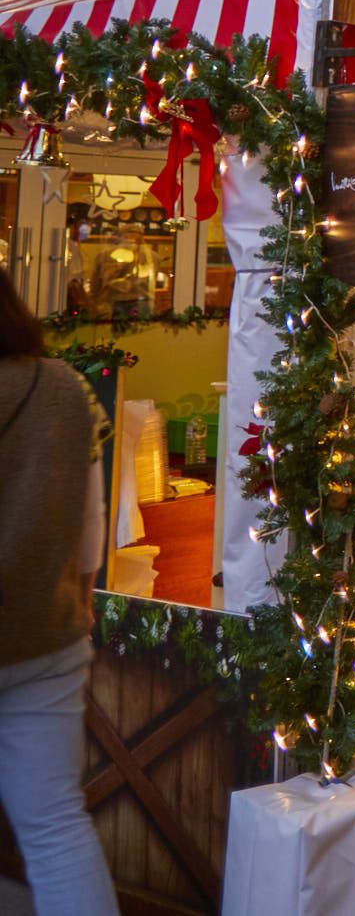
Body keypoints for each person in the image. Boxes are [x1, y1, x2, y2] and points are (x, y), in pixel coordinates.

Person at [0, 271, 121, 916]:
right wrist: (80, 597)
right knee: (55, 829)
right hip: (46, 635)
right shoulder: (65, 388)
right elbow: (91, 519)